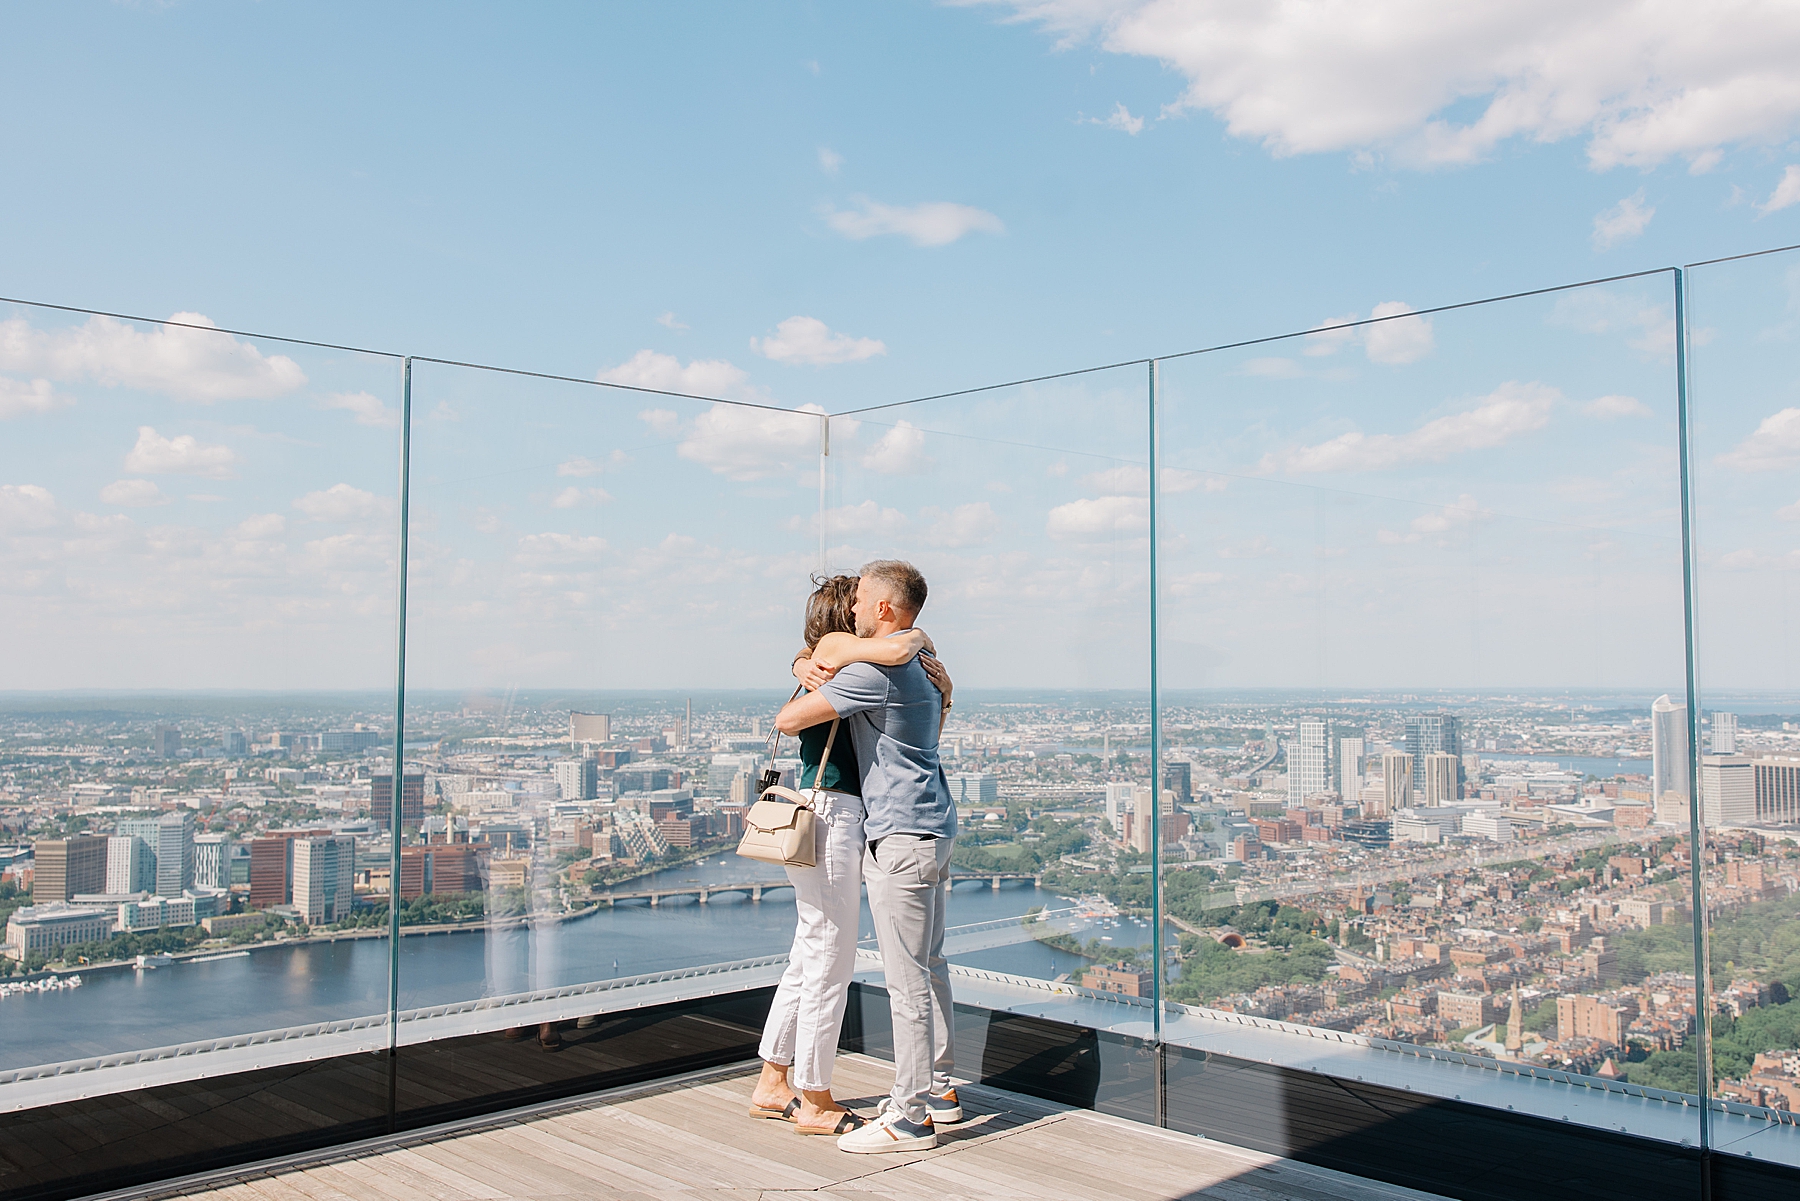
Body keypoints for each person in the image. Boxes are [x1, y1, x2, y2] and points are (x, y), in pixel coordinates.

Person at [775, 560, 958, 1154]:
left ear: (884, 609)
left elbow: (788, 719)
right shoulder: (927, 668)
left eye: (859, 602)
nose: (851, 612)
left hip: (898, 835)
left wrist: (807, 669)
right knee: (929, 966)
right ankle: (940, 1091)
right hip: (935, 825)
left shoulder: (873, 675)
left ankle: (909, 1117)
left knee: (904, 983)